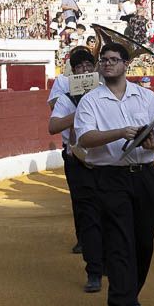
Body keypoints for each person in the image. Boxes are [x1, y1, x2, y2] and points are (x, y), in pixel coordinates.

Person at [73, 42, 154, 306]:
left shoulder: (146, 97)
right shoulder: (91, 101)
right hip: (110, 178)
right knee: (119, 244)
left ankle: (131, 293)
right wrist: (120, 132)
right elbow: (86, 139)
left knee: (144, 241)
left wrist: (152, 142)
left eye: (113, 59)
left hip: (144, 175)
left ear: (126, 64)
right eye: (103, 60)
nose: (107, 64)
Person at [48, 47, 104, 292]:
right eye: (79, 67)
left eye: (88, 66)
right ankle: (94, 269)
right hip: (77, 158)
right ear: (73, 71)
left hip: (105, 160)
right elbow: (54, 125)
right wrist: (78, 110)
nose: (84, 70)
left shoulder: (106, 92)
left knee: (107, 213)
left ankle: (103, 260)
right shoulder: (66, 95)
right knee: (87, 212)